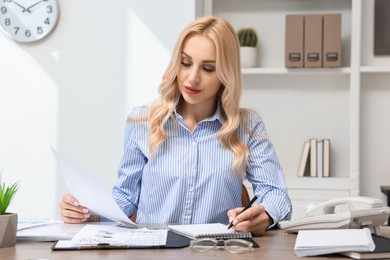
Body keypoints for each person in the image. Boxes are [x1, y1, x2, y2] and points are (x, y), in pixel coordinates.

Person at [59, 16, 292, 236]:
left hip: (213, 251)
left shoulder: (247, 126)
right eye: (186, 63)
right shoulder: (142, 121)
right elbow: (125, 197)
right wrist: (90, 211)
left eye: (208, 68)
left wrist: (265, 214)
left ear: (225, 74)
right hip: (152, 251)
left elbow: (276, 194)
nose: (192, 78)